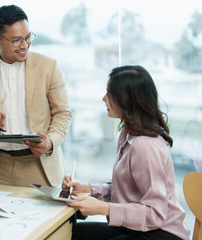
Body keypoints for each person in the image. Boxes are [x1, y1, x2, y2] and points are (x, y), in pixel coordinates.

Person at [63, 65, 190, 240]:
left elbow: (155, 213)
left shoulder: (145, 146)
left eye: (109, 94)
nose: (103, 99)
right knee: (74, 233)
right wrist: (87, 189)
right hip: (139, 227)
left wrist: (104, 208)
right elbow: (126, 190)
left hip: (162, 232)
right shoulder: (128, 134)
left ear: (126, 100)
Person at [0, 5, 72, 187]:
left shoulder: (49, 66)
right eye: (16, 40)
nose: (25, 45)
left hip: (39, 164)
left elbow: (63, 114)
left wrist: (50, 142)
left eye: (28, 37)